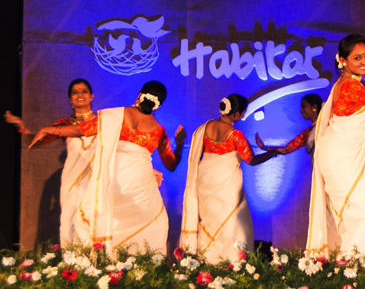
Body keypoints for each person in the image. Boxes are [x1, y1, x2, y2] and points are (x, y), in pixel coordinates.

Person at [29, 81, 185, 255]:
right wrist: (179, 146)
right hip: (141, 188)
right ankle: (138, 267)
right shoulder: (159, 131)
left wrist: (49, 130)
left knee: (101, 222)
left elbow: (82, 130)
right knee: (153, 225)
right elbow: (171, 164)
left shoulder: (116, 116)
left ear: (139, 95)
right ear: (159, 105)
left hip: (114, 181)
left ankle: (97, 265)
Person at [306, 34, 365, 255]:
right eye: (357, 57)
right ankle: (361, 265)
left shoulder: (345, 84)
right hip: (341, 157)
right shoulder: (349, 86)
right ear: (343, 61)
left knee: (357, 214)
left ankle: (353, 263)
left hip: (343, 156)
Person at [180, 94, 277, 262]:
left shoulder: (205, 127)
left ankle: (208, 259)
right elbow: (251, 159)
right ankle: (232, 262)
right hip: (227, 186)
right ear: (237, 113)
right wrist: (273, 152)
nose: (243, 116)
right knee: (233, 224)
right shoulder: (235, 135)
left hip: (205, 181)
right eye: (243, 113)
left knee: (209, 221)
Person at [5, 79, 98, 245]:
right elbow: (34, 141)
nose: (80, 94)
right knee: (71, 218)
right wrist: (21, 126)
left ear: (91, 96)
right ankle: (73, 258)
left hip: (97, 179)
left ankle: (100, 258)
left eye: (84, 91)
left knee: (97, 217)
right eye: (75, 92)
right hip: (73, 180)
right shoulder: (64, 125)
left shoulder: (103, 122)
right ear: (70, 99)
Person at [255, 93, 323, 160]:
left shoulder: (326, 125)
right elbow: (286, 150)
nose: (301, 110)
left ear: (314, 107)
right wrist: (264, 147)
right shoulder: (307, 133)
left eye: (304, 106)